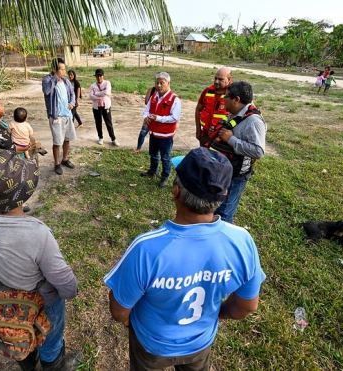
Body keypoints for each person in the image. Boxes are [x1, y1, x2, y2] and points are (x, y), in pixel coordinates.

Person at [105, 147, 266, 371]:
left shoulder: (146, 248)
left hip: (152, 345)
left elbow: (119, 309)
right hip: (200, 344)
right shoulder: (242, 241)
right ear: (224, 195)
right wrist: (218, 315)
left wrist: (127, 322)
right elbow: (247, 306)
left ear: (175, 190)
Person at [0, 149, 79, 371]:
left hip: (3, 297)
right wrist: (71, 292)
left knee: (16, 334)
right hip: (41, 301)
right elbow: (64, 281)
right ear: (23, 193)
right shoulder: (36, 233)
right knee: (50, 339)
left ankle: (27, 362)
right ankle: (53, 364)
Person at [209, 81, 267, 224]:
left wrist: (231, 139)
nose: (224, 99)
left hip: (236, 175)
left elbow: (258, 151)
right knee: (215, 207)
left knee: (225, 212)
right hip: (223, 170)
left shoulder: (254, 121)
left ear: (237, 100)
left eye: (227, 96)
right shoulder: (236, 113)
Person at [140, 72, 181, 188]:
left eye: (161, 83)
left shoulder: (175, 99)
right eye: (157, 83)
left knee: (165, 157)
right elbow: (146, 110)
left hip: (166, 136)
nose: (158, 85)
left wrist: (158, 118)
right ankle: (152, 171)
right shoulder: (154, 96)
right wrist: (146, 117)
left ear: (168, 83)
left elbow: (175, 117)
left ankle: (165, 176)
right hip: (154, 133)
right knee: (153, 154)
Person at [42, 57, 77, 175]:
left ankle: (65, 159)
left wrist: (72, 103)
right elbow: (47, 91)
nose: (64, 72)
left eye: (64, 69)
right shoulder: (47, 80)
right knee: (57, 142)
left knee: (67, 140)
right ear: (55, 70)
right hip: (56, 117)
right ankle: (56, 164)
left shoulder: (66, 81)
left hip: (67, 115)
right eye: (61, 69)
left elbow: (72, 94)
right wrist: (55, 79)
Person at [195, 67, 232, 147]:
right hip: (205, 134)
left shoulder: (234, 94)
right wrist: (198, 130)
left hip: (222, 137)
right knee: (203, 157)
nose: (216, 82)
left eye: (220, 79)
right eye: (215, 78)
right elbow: (198, 110)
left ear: (229, 80)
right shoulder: (208, 91)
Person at [89, 68, 118, 146]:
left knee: (109, 123)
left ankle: (113, 139)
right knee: (98, 123)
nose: (99, 77)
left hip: (106, 106)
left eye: (100, 76)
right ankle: (100, 137)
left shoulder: (107, 83)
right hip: (96, 107)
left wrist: (97, 93)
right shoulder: (92, 85)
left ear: (103, 76)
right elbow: (91, 96)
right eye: (97, 76)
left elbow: (107, 92)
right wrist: (100, 95)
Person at [135, 84, 157, 153]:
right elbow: (146, 102)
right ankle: (138, 148)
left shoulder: (166, 94)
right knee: (142, 133)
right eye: (157, 82)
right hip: (149, 116)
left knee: (155, 136)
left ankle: (154, 151)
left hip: (158, 118)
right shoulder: (151, 90)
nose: (159, 85)